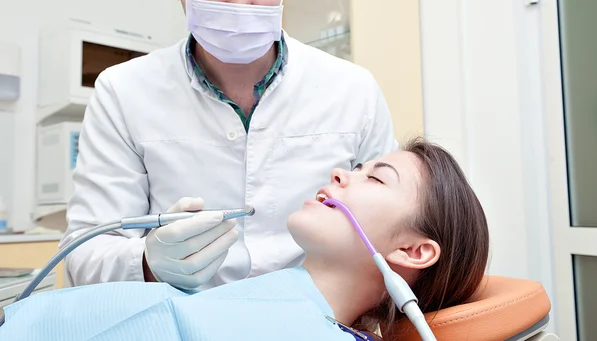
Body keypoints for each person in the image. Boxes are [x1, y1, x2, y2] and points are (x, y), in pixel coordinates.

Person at [59, 0, 398, 291]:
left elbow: (392, 230)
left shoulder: (353, 89)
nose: (240, 2)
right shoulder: (123, 92)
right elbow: (83, 256)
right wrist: (147, 262)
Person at [4, 139, 490, 340]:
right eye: (358, 166)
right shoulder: (272, 303)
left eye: (377, 179)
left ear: (413, 251)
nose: (343, 173)